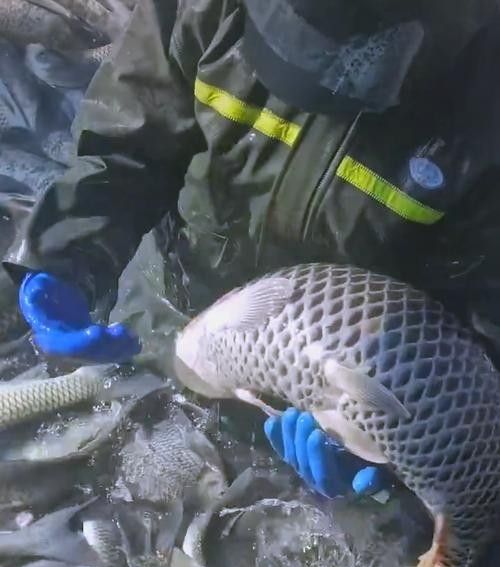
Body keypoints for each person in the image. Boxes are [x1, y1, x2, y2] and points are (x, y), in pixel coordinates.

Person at [4, 0, 500, 502]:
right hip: (170, 307)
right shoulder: (201, 9)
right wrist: (65, 254)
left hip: (352, 386)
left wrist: (395, 454)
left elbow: (482, 320)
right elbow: (127, 141)